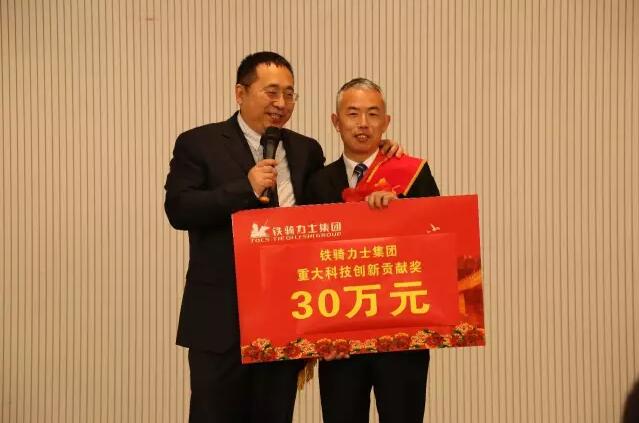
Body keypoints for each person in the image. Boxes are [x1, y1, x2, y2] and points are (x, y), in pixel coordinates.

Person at [164, 53, 401, 423]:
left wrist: (383, 158)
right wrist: (244, 188)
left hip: (285, 320)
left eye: (289, 94)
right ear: (240, 93)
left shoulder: (307, 150)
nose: (281, 103)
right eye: (271, 92)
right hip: (221, 323)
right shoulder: (199, 143)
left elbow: (333, 218)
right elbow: (179, 209)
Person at [305, 78, 440, 423]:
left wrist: (402, 210)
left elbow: (439, 240)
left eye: (373, 114)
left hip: (403, 336)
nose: (363, 123)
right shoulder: (317, 182)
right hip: (340, 343)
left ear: (386, 122)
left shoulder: (412, 174)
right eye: (352, 114)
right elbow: (305, 262)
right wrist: (317, 335)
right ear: (336, 121)